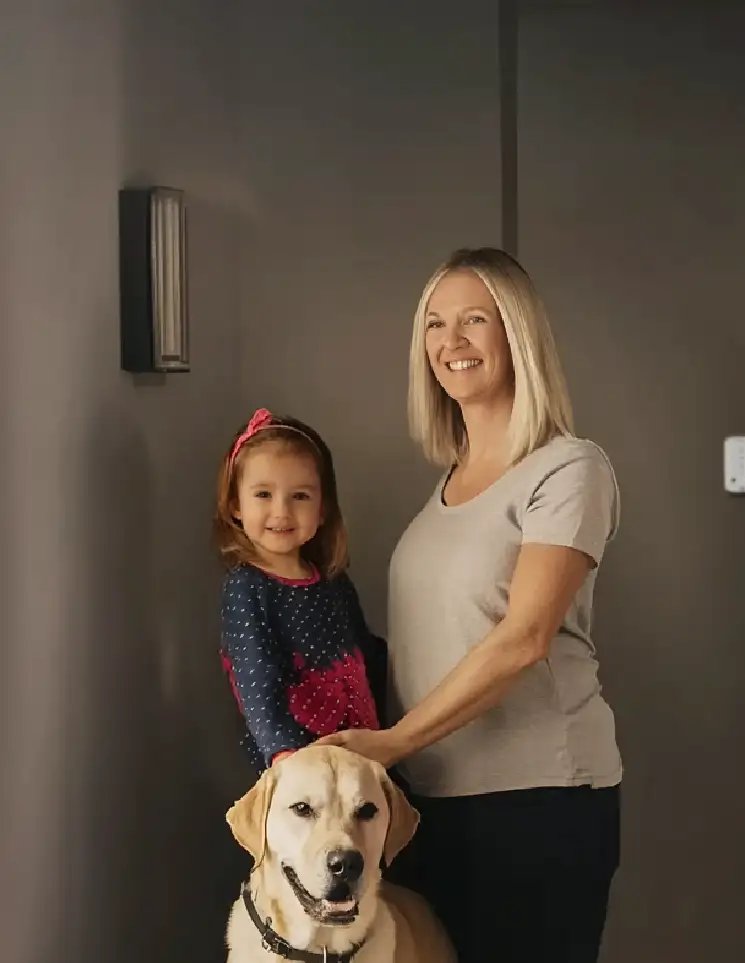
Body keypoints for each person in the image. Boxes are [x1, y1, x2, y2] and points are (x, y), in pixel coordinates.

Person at [318, 247, 622, 963]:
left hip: (536, 801)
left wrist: (391, 743)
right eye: (434, 323)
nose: (450, 342)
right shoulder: (449, 484)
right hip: (429, 801)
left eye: (473, 320)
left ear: (516, 334)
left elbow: (524, 637)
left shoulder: (569, 467)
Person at [215, 407, 386, 773]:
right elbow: (256, 680)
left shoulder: (332, 580)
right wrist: (286, 757)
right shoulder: (247, 588)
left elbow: (368, 657)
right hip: (300, 773)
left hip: (363, 759)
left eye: (300, 496)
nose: (282, 512)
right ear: (235, 505)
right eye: (263, 494)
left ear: (322, 508)